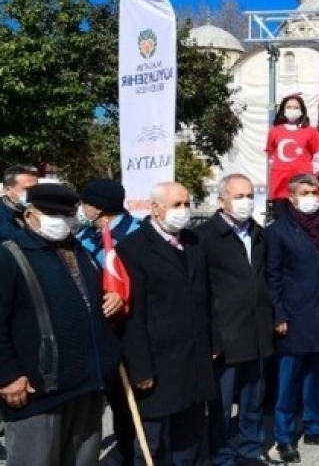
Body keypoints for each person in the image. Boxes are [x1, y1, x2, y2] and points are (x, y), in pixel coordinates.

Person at [0, 184, 120, 466]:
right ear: (30, 215)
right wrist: (7, 374)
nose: (62, 220)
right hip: (38, 392)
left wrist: (109, 298)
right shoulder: (11, 255)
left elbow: (83, 301)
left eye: (67, 213)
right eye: (52, 213)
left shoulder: (82, 253)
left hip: (86, 385)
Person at [117, 182, 218, 464]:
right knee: (153, 440)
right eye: (176, 205)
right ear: (155, 208)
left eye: (186, 204)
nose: (183, 211)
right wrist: (140, 367)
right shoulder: (134, 249)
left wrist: (213, 342)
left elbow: (207, 297)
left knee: (191, 436)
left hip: (194, 358)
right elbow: (133, 315)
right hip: (158, 363)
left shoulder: (194, 243)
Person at [265, 174, 319, 462]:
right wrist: (278, 314)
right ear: (292, 197)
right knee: (288, 382)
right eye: (305, 192)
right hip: (293, 317)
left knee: (316, 378)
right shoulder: (277, 231)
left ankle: (314, 427)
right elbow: (272, 277)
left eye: (314, 191)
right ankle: (285, 436)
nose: (311, 196)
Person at [195, 174, 274, 466]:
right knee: (221, 404)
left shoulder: (259, 233)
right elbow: (200, 291)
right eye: (239, 196)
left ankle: (250, 449)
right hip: (225, 335)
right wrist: (211, 337)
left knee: (254, 398)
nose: (246, 202)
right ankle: (222, 455)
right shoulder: (204, 237)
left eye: (250, 196)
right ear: (222, 201)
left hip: (257, 331)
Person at [74, 178, 141, 464]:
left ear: (96, 208)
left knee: (138, 402)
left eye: (84, 203)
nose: (80, 208)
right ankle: (126, 451)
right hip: (100, 333)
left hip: (134, 329)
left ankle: (140, 451)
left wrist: (125, 297)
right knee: (115, 400)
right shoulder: (83, 238)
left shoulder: (139, 234)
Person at [266, 94, 319, 220]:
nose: (292, 110)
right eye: (289, 107)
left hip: (302, 187)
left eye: (296, 107)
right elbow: (271, 158)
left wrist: (309, 176)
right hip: (280, 188)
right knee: (282, 224)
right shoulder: (274, 131)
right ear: (283, 110)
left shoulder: (310, 131)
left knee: (304, 222)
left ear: (301, 110)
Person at [0, 164, 38, 241]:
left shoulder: (41, 210)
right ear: (7, 190)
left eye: (36, 189)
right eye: (28, 189)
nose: (34, 193)